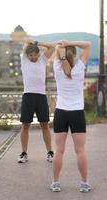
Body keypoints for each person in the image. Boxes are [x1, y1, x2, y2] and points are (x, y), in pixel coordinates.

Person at [50, 40, 92, 192]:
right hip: (77, 113)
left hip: (61, 112)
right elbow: (87, 45)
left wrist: (61, 48)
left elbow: (56, 49)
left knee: (59, 150)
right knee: (80, 150)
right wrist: (70, 42)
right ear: (74, 54)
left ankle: (55, 183)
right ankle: (84, 183)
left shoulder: (57, 66)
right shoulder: (80, 67)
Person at [18, 38, 54, 163]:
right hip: (28, 96)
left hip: (41, 96)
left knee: (45, 125)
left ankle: (50, 152)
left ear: (39, 54)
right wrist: (29, 43)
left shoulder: (42, 60)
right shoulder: (24, 60)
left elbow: (52, 47)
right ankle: (23, 153)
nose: (33, 57)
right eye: (31, 55)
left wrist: (37, 43)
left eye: (35, 55)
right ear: (27, 55)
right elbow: (25, 44)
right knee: (25, 125)